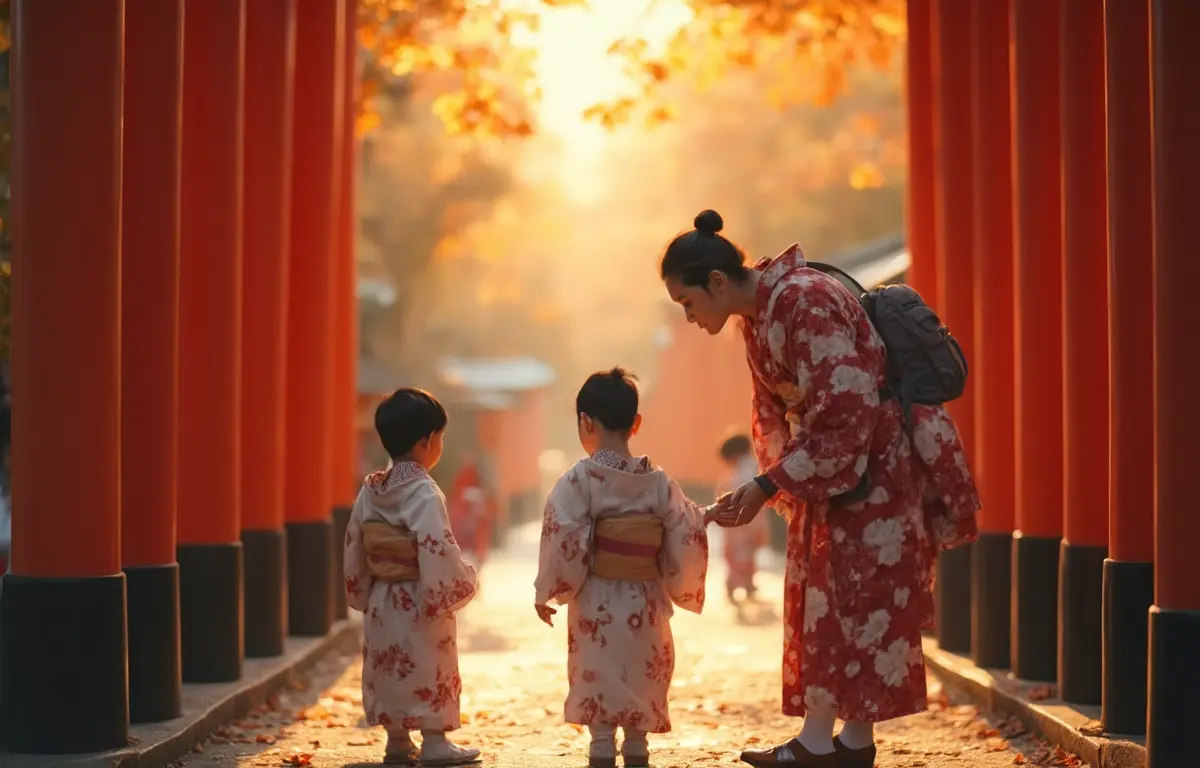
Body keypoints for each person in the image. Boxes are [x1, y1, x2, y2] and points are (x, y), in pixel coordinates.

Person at [660, 210, 980, 768]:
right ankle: (845, 743)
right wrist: (772, 481)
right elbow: (776, 413)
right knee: (831, 603)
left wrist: (769, 483)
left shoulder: (803, 300)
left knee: (860, 602)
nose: (688, 317)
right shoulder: (761, 315)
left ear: (715, 282)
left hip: (872, 471)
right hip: (837, 473)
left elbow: (848, 408)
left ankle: (830, 742)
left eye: (687, 303)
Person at [534, 367, 713, 768]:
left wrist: (549, 588)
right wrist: (707, 517)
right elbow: (684, 527)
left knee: (598, 664)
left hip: (596, 597)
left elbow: (560, 532)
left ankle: (600, 742)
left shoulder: (579, 479)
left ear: (585, 422)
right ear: (636, 424)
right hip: (644, 598)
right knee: (643, 667)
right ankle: (637, 745)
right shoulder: (658, 481)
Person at [343, 387, 482, 766]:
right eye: (441, 438)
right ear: (426, 441)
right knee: (428, 664)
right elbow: (437, 547)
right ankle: (435, 740)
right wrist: (458, 583)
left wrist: (361, 591)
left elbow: (355, 542)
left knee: (389, 665)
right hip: (420, 598)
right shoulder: (423, 491)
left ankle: (397, 740)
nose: (441, 445)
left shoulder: (370, 491)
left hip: (383, 599)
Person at [716, 432, 769, 606]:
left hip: (739, 521)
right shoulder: (757, 465)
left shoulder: (741, 471)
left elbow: (729, 493)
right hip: (756, 519)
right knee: (749, 553)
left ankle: (733, 586)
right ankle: (747, 584)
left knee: (737, 554)